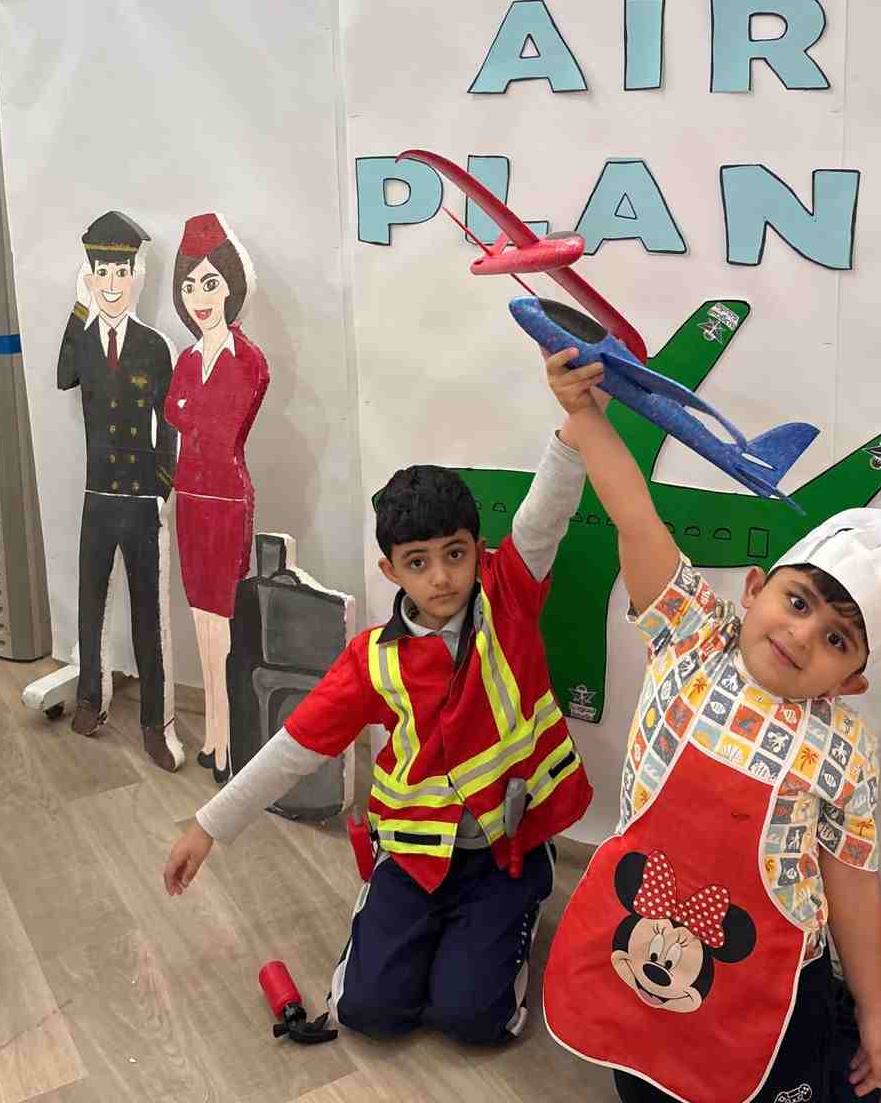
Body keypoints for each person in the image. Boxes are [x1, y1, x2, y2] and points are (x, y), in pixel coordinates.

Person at [539, 345, 881, 1103]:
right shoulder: (692, 634)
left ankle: (838, 1026)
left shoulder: (846, 748)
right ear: (755, 588)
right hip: (654, 935)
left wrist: (877, 1014)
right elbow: (636, 515)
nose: (802, 634)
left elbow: (852, 884)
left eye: (837, 638)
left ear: (852, 680)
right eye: (798, 601)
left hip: (776, 965)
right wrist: (585, 414)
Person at [163, 430, 593, 1043]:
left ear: (479, 552)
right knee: (368, 1012)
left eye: (455, 554)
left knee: (474, 1020)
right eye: (418, 562)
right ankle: (404, 917)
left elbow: (545, 514)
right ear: (390, 570)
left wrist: (575, 427)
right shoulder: (372, 660)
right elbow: (294, 748)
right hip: (415, 853)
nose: (441, 578)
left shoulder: (509, 596)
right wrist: (208, 826)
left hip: (507, 850)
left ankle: (518, 902)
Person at [57, 210, 181, 771]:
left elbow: (171, 421)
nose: (112, 284)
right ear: (91, 276)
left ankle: (156, 723)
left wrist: (162, 486)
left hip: (140, 496)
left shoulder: (154, 346)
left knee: (148, 614)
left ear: (136, 276)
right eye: (102, 273)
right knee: (91, 604)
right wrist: (79, 305)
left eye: (121, 273)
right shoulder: (84, 341)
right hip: (97, 494)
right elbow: (63, 375)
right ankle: (91, 700)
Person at [166, 212, 270, 786]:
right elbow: (174, 412)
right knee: (200, 618)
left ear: (231, 284)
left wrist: (191, 412)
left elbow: (215, 423)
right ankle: (212, 734)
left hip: (227, 498)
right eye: (189, 286)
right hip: (189, 496)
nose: (200, 297)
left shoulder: (248, 359)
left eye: (210, 282)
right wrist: (191, 413)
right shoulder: (186, 359)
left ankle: (227, 738)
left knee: (222, 624)